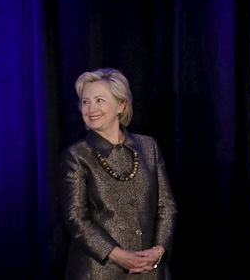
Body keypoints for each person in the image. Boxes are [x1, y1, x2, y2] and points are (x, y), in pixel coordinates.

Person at [59, 68, 176, 279]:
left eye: (99, 100)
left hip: (150, 271)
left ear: (121, 105)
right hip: (98, 272)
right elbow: (76, 218)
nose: (91, 108)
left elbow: (166, 207)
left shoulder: (149, 147)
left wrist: (158, 251)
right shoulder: (76, 155)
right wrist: (117, 254)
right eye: (85, 102)